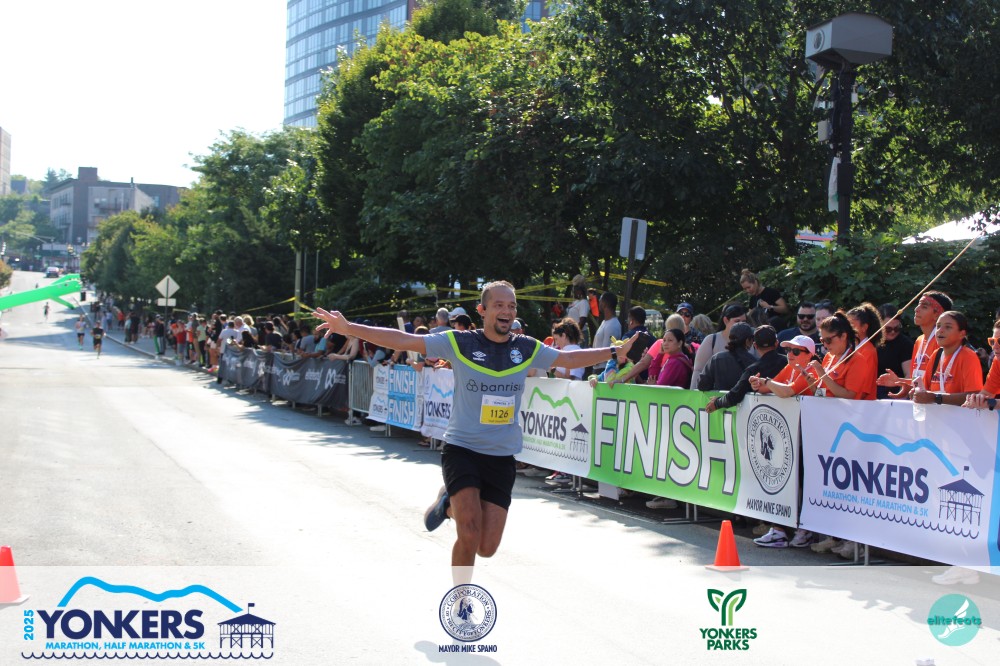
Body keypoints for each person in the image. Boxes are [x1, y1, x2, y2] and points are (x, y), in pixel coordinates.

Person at [312, 280, 632, 577]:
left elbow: (568, 359)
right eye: (499, 305)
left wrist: (613, 352)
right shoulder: (459, 342)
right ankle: (460, 599)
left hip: (501, 456)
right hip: (462, 450)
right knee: (468, 531)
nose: (507, 311)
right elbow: (405, 339)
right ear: (482, 310)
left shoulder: (525, 347)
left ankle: (447, 503)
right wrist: (349, 328)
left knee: (486, 547)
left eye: (511, 306)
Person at [878, 291, 952, 398]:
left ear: (937, 314)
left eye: (924, 307)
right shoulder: (919, 340)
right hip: (921, 402)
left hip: (938, 404)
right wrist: (900, 382)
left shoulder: (943, 342)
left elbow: (942, 381)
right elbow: (918, 379)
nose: (916, 309)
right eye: (918, 305)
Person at [705, 326, 786, 414]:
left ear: (755, 345)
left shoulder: (753, 370)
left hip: (762, 415)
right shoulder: (789, 363)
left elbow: (735, 395)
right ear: (776, 343)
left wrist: (717, 403)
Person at [911, 311, 983, 406]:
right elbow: (925, 390)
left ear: (962, 334)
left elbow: (974, 396)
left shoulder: (968, 356)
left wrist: (937, 398)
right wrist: (915, 393)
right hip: (935, 414)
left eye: (948, 327)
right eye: (938, 326)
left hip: (961, 415)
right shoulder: (936, 354)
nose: (940, 330)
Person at [690, 303, 747, 389]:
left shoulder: (750, 341)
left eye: (744, 322)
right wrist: (694, 394)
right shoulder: (711, 340)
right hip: (714, 394)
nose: (741, 325)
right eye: (737, 321)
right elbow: (698, 370)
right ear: (726, 320)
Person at [697, 322, 755, 391]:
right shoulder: (754, 362)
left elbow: (702, 385)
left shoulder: (716, 359)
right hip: (746, 398)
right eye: (752, 339)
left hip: (719, 397)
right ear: (747, 341)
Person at [876, 304, 913, 399]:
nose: (893, 332)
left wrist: (902, 393)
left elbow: (909, 374)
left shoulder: (905, 344)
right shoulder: (872, 341)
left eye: (897, 328)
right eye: (888, 329)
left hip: (895, 391)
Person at [592, 291, 622, 372]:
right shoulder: (605, 322)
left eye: (600, 301)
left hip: (604, 369)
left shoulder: (613, 325)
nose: (599, 303)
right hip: (597, 367)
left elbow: (606, 351)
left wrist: (594, 360)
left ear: (605, 303)